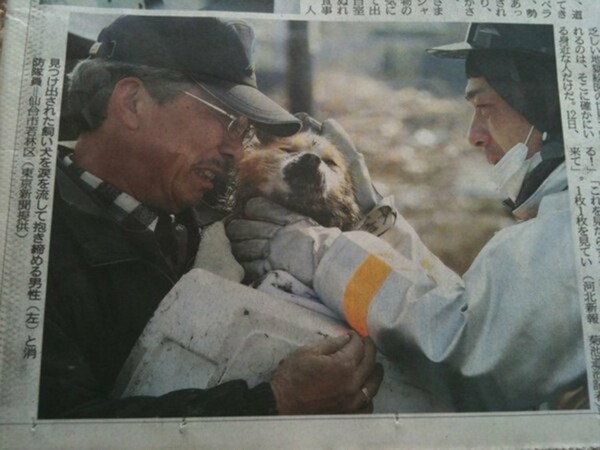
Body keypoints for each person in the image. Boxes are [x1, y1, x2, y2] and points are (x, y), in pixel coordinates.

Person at [228, 23, 588, 411]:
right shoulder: (561, 222)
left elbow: (458, 350)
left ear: (546, 106)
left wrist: (317, 251)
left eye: (485, 107)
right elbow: (467, 309)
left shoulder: (567, 235)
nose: (474, 135)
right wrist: (380, 225)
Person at [39, 15, 383, 418]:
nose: (237, 152)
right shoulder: (30, 245)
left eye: (244, 132)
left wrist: (375, 220)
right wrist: (273, 403)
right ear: (132, 103)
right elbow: (50, 428)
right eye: (226, 120)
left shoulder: (220, 218)